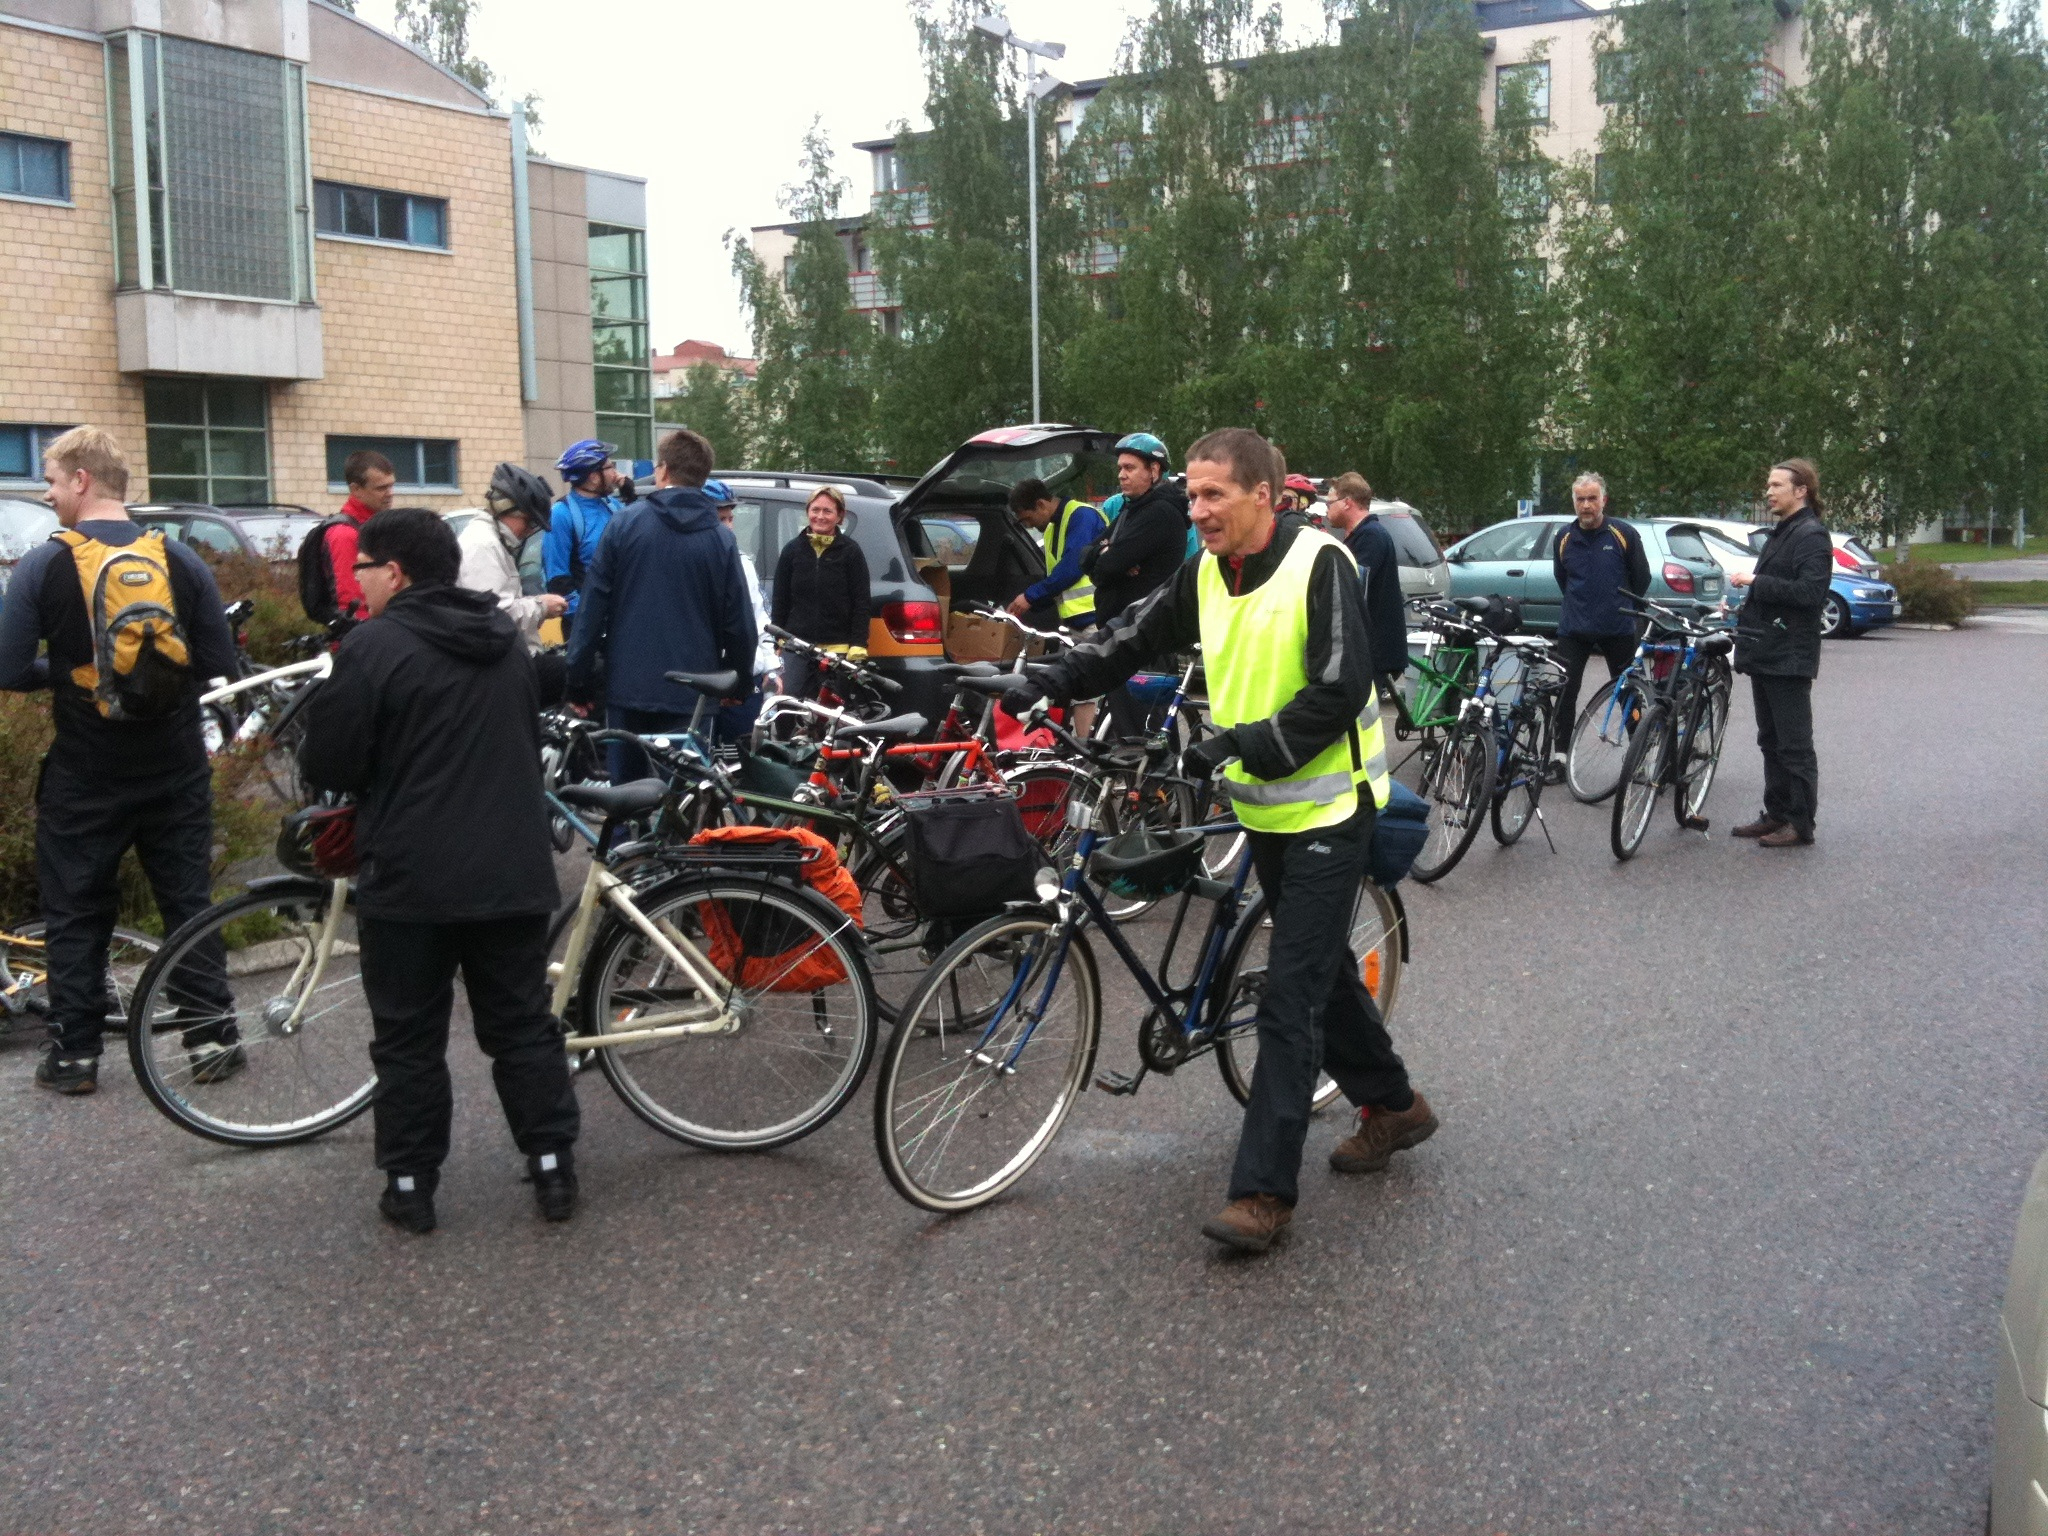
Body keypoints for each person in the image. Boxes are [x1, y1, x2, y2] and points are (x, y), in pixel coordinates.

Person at [1014, 427, 1432, 1254]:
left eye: (1211, 495)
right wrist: (1044, 679)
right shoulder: (1206, 570)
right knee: (1323, 974)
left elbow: (1339, 690)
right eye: (1191, 495)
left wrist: (1228, 747)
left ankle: (1263, 1194)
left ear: (1263, 499)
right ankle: (1395, 1105)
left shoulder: (1322, 564)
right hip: (1264, 808)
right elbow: (1129, 639)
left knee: (1290, 995)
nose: (1194, 509)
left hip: (1328, 811)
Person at [298, 508, 579, 1234]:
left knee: (408, 1038)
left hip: (411, 875)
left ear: (394, 571)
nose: (355, 583)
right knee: (521, 1026)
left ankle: (411, 1184)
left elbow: (328, 761)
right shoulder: (507, 645)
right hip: (511, 870)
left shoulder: (373, 648)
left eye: (362, 568)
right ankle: (553, 1168)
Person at [0, 427, 240, 1095]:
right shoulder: (179, 558)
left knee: (76, 910)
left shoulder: (45, 565)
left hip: (86, 772)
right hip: (175, 769)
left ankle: (74, 1057)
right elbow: (221, 665)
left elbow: (9, 666)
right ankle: (212, 1040)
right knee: (189, 903)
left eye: (51, 481)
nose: (47, 495)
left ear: (81, 480)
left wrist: (80, 671)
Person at [564, 430, 757, 782]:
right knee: (683, 803)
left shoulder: (624, 524)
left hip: (629, 687)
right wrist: (738, 683)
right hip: (694, 692)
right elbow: (740, 623)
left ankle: (625, 837)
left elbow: (592, 607)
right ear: (703, 475)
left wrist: (577, 679)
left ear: (663, 471)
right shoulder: (720, 539)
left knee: (627, 798)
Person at [1729, 459, 1832, 847]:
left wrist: (1757, 580)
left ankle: (1800, 824)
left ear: (1800, 490)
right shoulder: (1784, 531)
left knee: (1794, 745)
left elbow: (1810, 594)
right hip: (1767, 651)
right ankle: (1776, 813)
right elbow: (1780, 589)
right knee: (1770, 739)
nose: (1769, 492)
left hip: (1789, 656)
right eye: (1768, 485)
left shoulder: (1811, 535)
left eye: (1776, 485)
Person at [1548, 472, 1650, 782]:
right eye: (1581, 499)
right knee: (1565, 692)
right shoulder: (1564, 537)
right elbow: (1562, 579)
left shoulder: (1623, 534)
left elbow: (1641, 579)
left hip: (1618, 628)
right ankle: (1560, 759)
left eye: (1593, 498)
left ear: (1603, 500)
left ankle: (1640, 760)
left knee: (1628, 693)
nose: (1586, 505)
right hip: (1574, 629)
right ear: (1574, 502)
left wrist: (1618, 608)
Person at [1086, 433, 1189, 736]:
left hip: (1145, 639)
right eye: (1120, 468)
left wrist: (1107, 557)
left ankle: (1156, 785)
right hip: (1122, 633)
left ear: (1154, 471)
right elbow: (1089, 559)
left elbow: (1106, 565)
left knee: (1142, 734)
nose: (1121, 475)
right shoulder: (1131, 510)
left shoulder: (1160, 513)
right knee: (1125, 730)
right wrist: (1105, 555)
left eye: (1130, 468)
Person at [771, 485, 870, 700]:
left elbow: (861, 603)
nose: (820, 516)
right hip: (797, 645)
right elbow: (780, 599)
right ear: (807, 512)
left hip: (838, 647)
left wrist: (858, 645)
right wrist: (777, 640)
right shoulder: (792, 550)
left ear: (839, 516)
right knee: (788, 701)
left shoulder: (851, 552)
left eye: (828, 511)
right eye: (815, 510)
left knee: (830, 710)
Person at [457, 463, 567, 651]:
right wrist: (541, 607)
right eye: (529, 521)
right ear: (505, 510)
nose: (530, 530)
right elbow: (495, 615)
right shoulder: (482, 546)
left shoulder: (495, 541)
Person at [705, 477, 781, 740]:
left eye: (730, 518)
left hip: (745, 678)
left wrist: (771, 668)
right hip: (704, 679)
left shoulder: (742, 563)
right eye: (720, 519)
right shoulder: (690, 560)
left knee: (743, 760)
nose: (728, 526)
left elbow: (760, 618)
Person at [1324, 472, 1408, 699]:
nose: (1326, 509)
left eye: (1330, 502)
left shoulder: (1371, 536)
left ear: (1347, 503)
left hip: (1374, 649)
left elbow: (1353, 590)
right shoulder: (1360, 536)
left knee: (1360, 715)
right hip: (1365, 648)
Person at [542, 438, 623, 633]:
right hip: (586, 626)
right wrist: (591, 619)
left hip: (620, 620)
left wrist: (631, 494)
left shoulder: (614, 506)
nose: (616, 474)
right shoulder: (562, 514)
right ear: (594, 476)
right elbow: (557, 580)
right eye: (610, 467)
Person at [1006, 477, 1105, 628]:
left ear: (1040, 504)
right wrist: (1028, 603)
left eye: (1028, 518)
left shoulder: (1082, 516)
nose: (1029, 525)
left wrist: (1029, 597)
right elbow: (1054, 580)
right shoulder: (1051, 530)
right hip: (1074, 622)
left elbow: (1072, 567)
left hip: (1096, 617)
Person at [313, 449, 397, 625]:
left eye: (391, 485)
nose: (390, 493)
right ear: (356, 489)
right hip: (360, 637)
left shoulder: (372, 527)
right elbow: (351, 602)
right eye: (381, 488)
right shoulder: (344, 534)